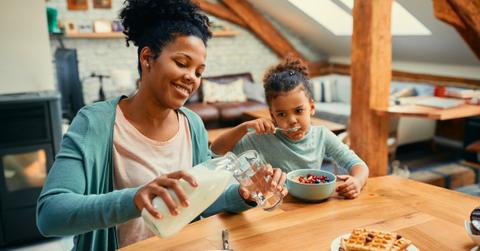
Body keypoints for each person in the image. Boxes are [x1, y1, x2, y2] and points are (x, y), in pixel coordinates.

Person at [36, 0, 287, 250]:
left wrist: (242, 193)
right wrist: (135, 199)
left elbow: (197, 201)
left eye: (199, 72)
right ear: (147, 57)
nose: (192, 78)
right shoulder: (95, 123)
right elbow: (50, 215)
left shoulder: (193, 125)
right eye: (181, 63)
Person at [211, 57, 369, 199]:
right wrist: (244, 127)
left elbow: (358, 165)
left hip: (310, 206)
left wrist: (357, 181)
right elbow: (216, 150)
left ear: (312, 107)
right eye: (281, 114)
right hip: (276, 207)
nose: (292, 121)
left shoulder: (322, 135)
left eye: (299, 111)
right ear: (272, 116)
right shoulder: (263, 137)